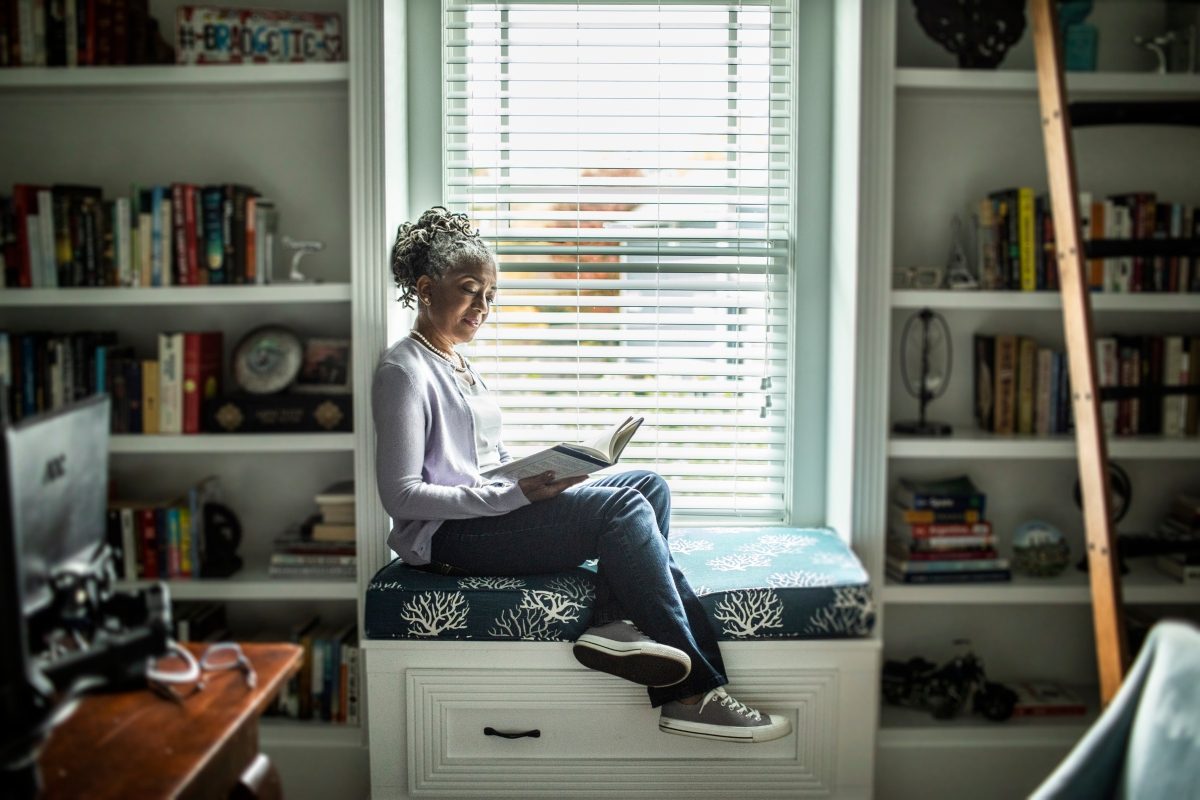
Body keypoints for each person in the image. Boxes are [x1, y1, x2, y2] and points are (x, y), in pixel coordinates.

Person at [372, 207, 792, 744]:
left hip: (487, 512)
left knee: (647, 487)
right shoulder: (403, 371)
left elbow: (479, 465)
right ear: (426, 289)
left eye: (490, 295)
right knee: (620, 509)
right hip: (447, 538)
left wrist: (544, 474)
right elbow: (402, 496)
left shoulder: (457, 362)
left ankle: (617, 625)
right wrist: (511, 497)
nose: (482, 306)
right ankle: (694, 695)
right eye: (470, 289)